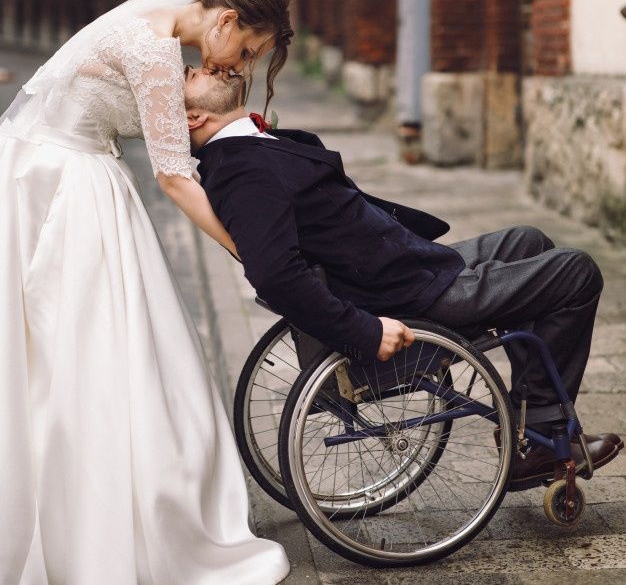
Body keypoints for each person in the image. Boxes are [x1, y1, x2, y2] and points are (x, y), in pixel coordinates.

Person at [0, 0, 292, 585]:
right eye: (246, 51)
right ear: (224, 21)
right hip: (68, 182)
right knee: (96, 353)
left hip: (53, 166)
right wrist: (249, 251)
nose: (239, 64)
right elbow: (174, 177)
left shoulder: (157, 33)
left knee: (61, 355)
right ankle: (111, 524)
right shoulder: (155, 47)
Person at [184, 67, 623, 492]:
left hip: (407, 265)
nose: (210, 66)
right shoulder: (242, 171)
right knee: (577, 272)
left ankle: (534, 421)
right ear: (193, 117)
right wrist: (365, 330)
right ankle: (540, 437)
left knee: (528, 241)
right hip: (406, 296)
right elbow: (275, 275)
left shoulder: (244, 147)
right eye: (193, 74)